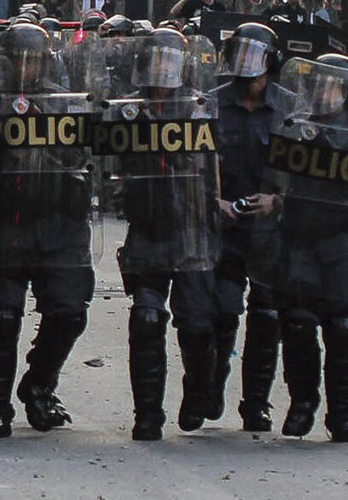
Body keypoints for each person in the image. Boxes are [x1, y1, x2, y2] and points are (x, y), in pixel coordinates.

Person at [0, 24, 98, 438]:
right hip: (3, 224)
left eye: (33, 59)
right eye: (17, 58)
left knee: (69, 313)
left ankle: (40, 383)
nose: (25, 67)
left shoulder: (65, 105)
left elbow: (87, 159)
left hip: (57, 224)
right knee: (1, 316)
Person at [102, 27, 221, 440]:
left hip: (192, 232)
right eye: (155, 61)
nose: (161, 70)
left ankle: (198, 390)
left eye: (169, 61)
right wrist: (120, 191)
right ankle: (148, 413)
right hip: (148, 231)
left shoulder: (201, 110)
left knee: (197, 326)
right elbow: (108, 167)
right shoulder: (126, 113)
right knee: (146, 317)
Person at [207, 23, 295, 433]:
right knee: (223, 311)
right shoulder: (209, 105)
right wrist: (212, 201)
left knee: (267, 317)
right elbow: (193, 167)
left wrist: (278, 201)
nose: (249, 80)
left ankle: (256, 403)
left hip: (271, 232)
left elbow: (306, 173)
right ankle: (211, 382)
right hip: (224, 229)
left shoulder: (291, 110)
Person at [263, 53, 348, 441]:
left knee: (342, 327)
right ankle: (302, 404)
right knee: (297, 322)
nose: (322, 93)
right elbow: (276, 177)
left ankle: (343, 411)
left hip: (341, 240)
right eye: (317, 85)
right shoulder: (295, 127)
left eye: (329, 86)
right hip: (298, 236)